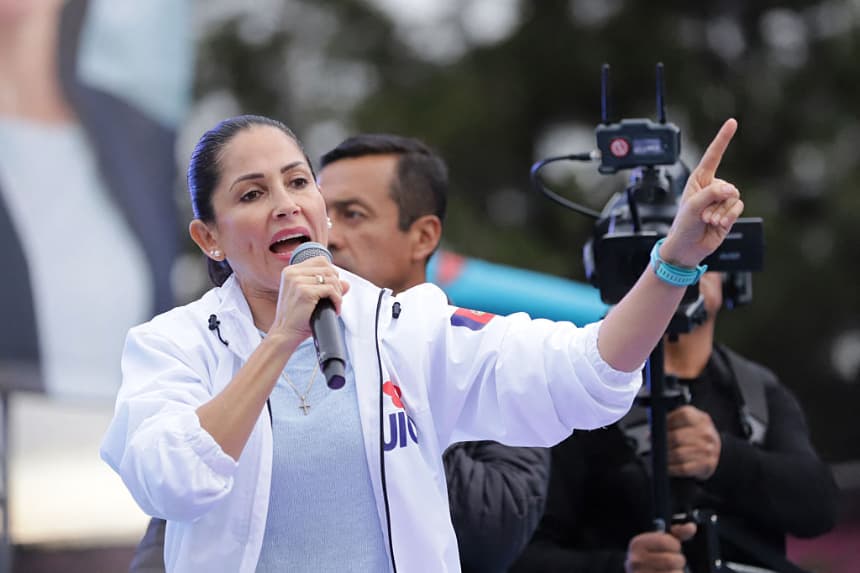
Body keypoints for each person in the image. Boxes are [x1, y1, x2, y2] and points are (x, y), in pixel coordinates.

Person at [101, 113, 745, 573]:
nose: (285, 204)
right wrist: (280, 340)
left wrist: (674, 260)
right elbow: (172, 479)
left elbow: (586, 372)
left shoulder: (405, 325)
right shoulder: (172, 345)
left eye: (299, 183)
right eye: (251, 193)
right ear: (208, 237)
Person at [128, 133, 552, 573]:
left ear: (423, 236)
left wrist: (396, 411)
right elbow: (169, 526)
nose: (328, 234)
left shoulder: (470, 351)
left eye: (351, 214)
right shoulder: (210, 352)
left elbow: (497, 529)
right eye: (326, 210)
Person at [511, 271, 838, 573]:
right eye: (668, 244)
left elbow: (818, 507)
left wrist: (724, 459)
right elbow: (517, 555)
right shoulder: (581, 393)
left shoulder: (759, 391)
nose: (691, 262)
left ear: (732, 276)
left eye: (707, 249)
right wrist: (620, 567)